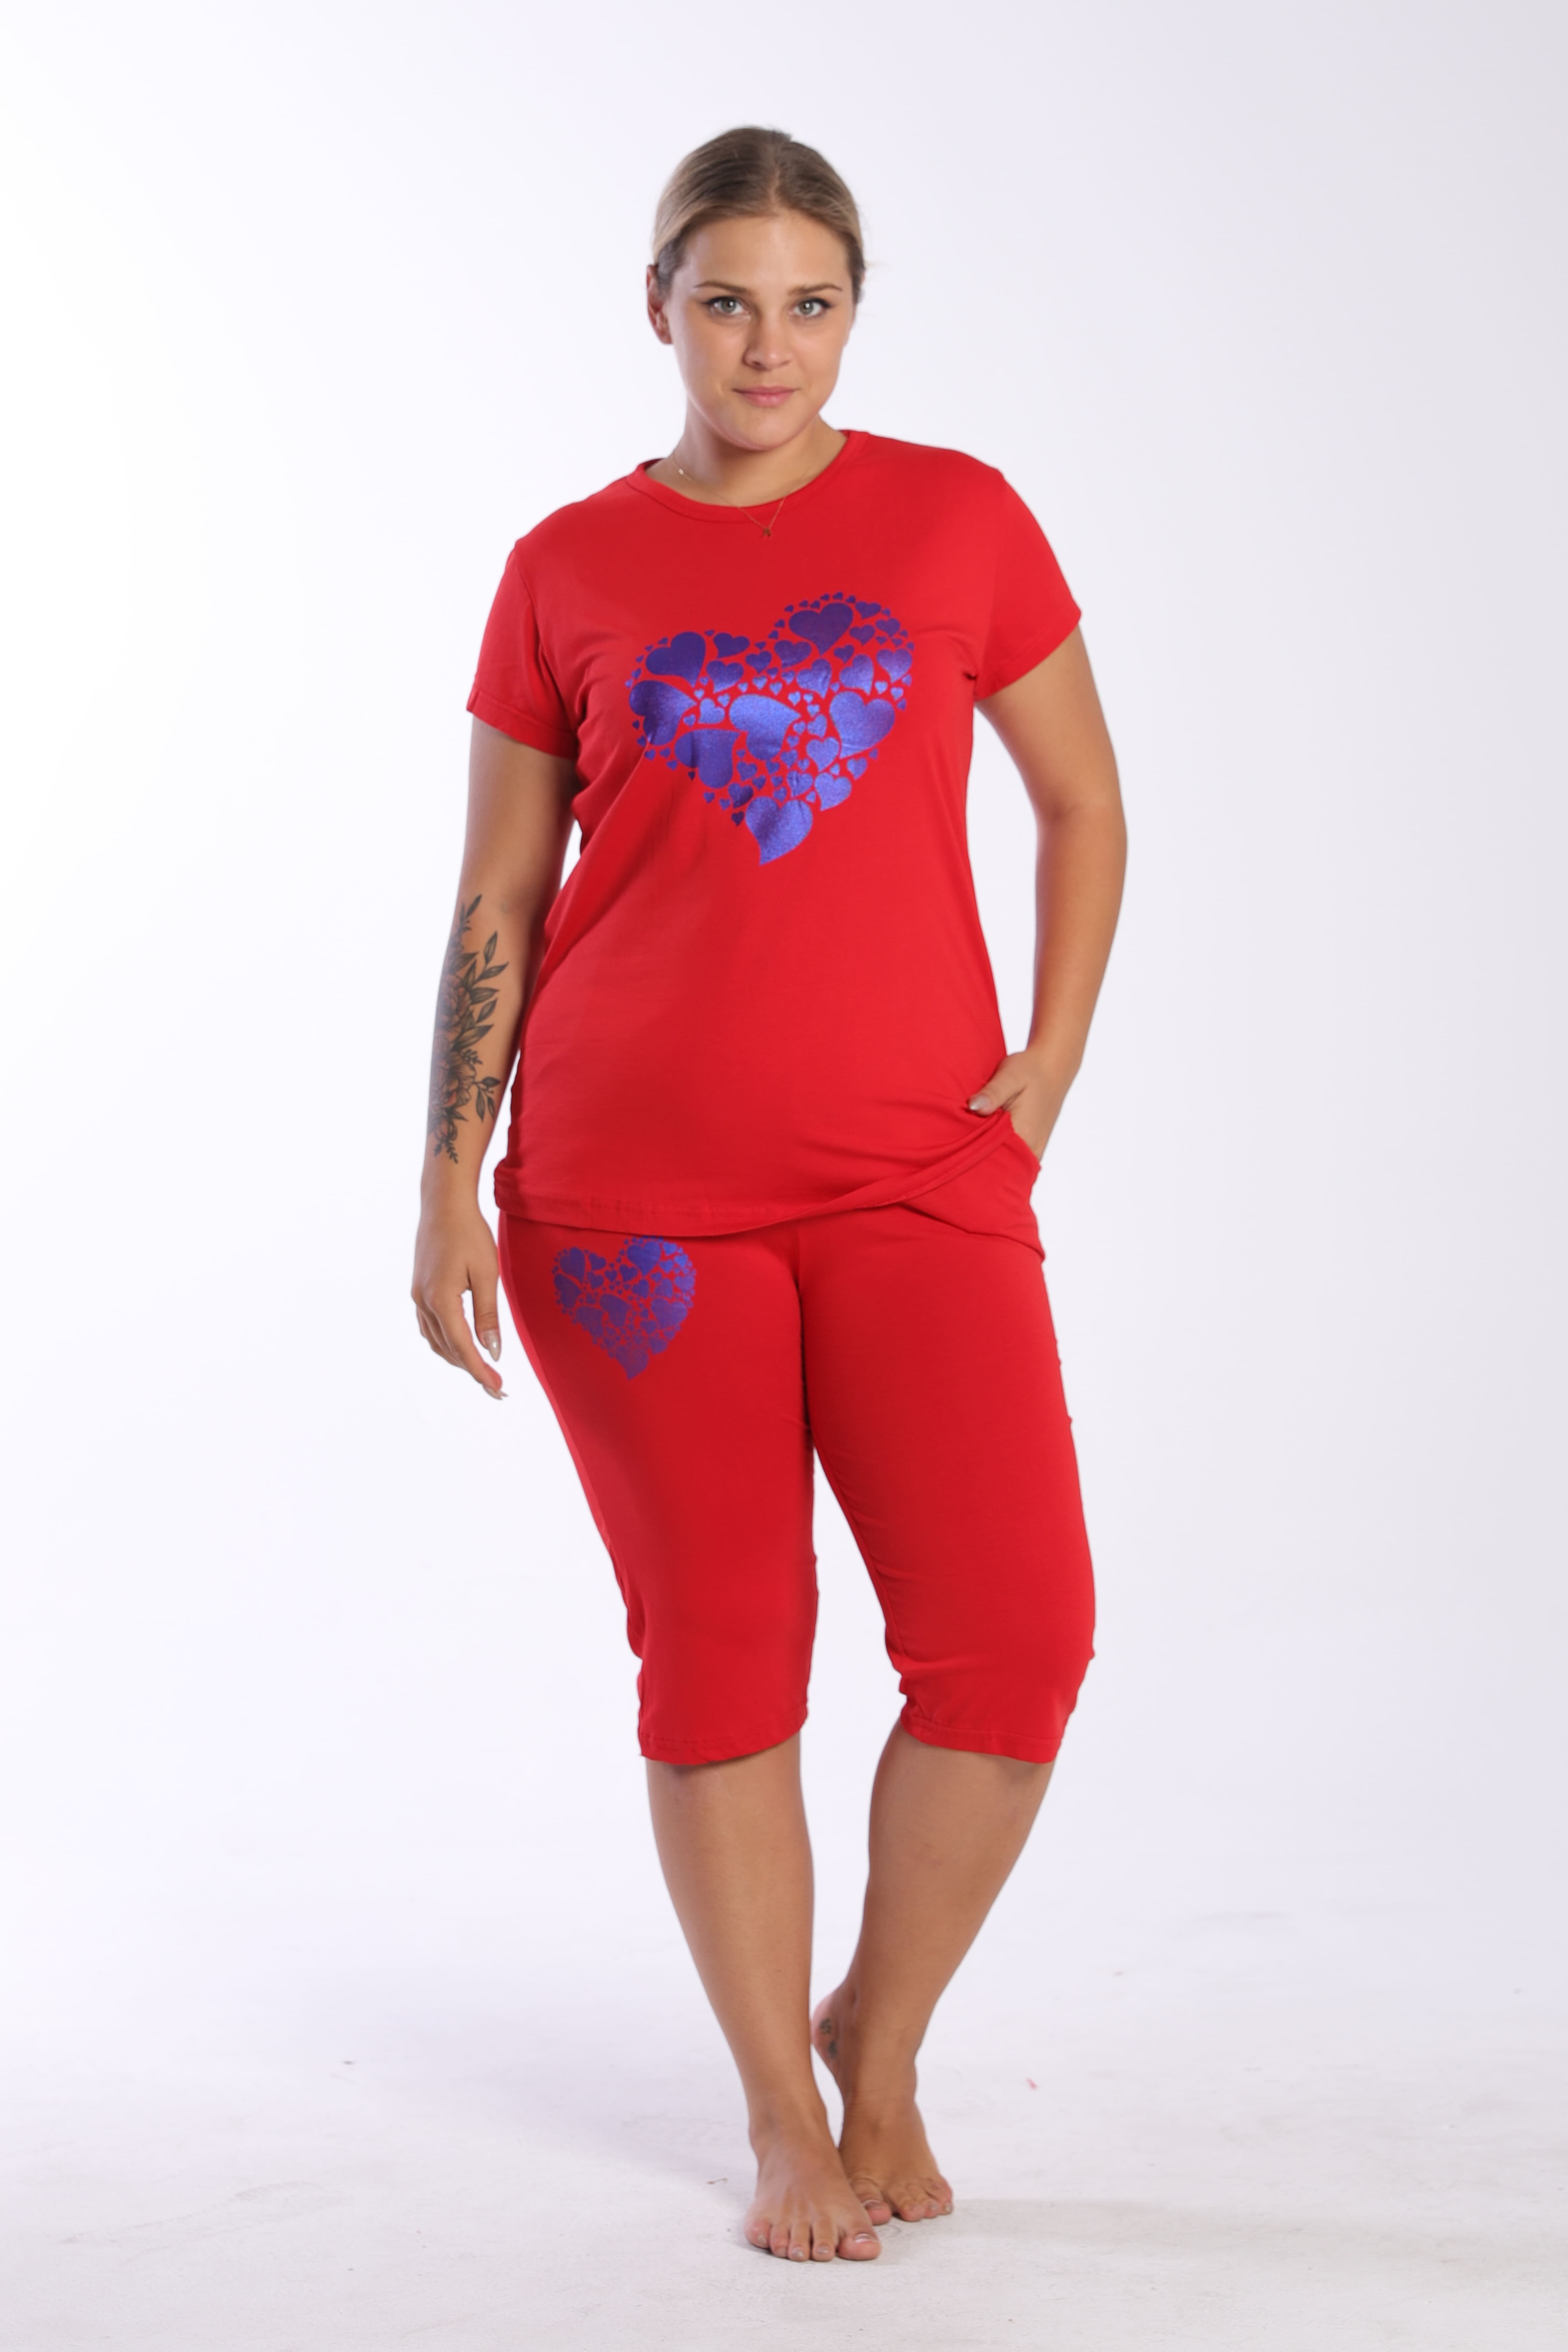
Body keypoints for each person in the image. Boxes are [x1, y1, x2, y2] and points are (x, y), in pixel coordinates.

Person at [411, 126, 1126, 2265]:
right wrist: (445, 1179)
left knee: (1016, 1640)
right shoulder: (566, 567)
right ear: (660, 307)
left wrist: (1050, 1062)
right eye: (726, 300)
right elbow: (499, 896)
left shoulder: (958, 517)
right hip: (627, 1209)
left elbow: (1083, 801)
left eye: (810, 304)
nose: (767, 345)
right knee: (726, 1657)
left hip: (919, 1179)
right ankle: (778, 2119)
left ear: (853, 314)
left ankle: (874, 2038)